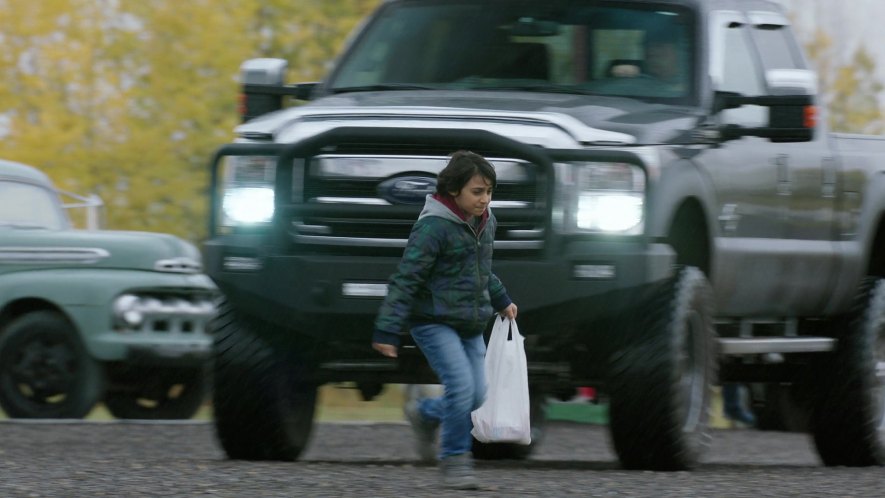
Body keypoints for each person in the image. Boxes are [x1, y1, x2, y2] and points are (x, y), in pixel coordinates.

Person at [372, 150, 518, 490]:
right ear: (454, 191)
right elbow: (407, 278)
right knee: (462, 387)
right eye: (477, 192)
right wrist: (388, 328)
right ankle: (455, 461)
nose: (485, 199)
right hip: (433, 321)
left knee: (478, 395)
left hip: (469, 321)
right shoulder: (433, 228)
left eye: (489, 192)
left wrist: (501, 299)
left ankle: (424, 414)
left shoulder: (486, 221)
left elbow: (481, 270)